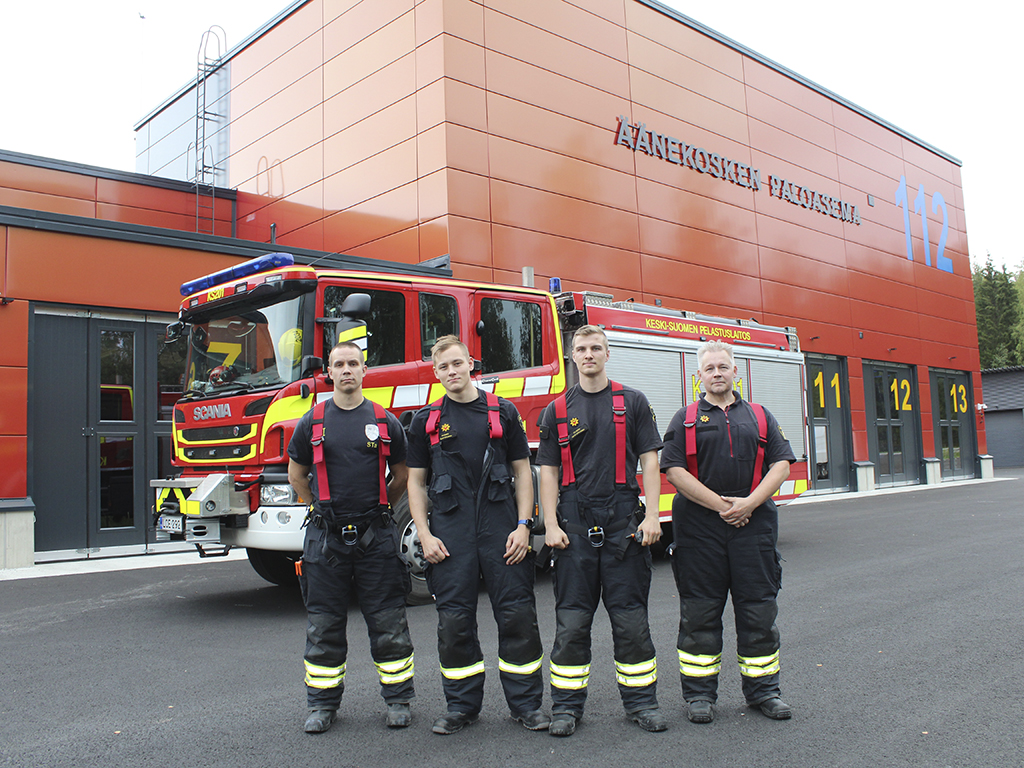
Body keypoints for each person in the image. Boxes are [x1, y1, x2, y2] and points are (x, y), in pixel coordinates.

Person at [406, 336, 548, 735]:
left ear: (471, 364)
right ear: (435, 373)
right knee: (454, 623)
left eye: (457, 364)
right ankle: (461, 707)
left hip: (503, 532)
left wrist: (524, 526)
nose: (451, 372)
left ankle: (527, 705)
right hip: (450, 537)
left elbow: (524, 471)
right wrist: (424, 534)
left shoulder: (502, 412)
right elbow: (416, 484)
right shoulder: (426, 421)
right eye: (443, 367)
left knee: (518, 616)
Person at [538, 325, 667, 737]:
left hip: (624, 526)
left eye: (596, 348)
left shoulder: (633, 402)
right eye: (581, 349)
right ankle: (566, 708)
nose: (588, 354)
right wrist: (552, 524)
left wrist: (652, 517)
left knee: (630, 622)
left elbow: (649, 462)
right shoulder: (556, 411)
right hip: (574, 529)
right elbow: (548, 474)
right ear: (572, 357)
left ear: (607, 354)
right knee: (572, 624)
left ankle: (642, 703)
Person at [661, 340, 796, 724]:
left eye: (723, 366)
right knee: (699, 615)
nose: (717, 373)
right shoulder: (684, 418)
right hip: (700, 533)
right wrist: (725, 507)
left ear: (735, 371)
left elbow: (782, 464)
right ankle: (699, 697)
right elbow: (674, 472)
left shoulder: (760, 415)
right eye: (710, 368)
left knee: (758, 611)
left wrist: (750, 503)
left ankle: (764, 693)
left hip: (753, 530)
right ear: (698, 376)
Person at [287, 341, 415, 734]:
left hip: (375, 537)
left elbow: (403, 477)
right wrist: (320, 509)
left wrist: (379, 512)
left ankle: (398, 700)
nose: (346, 370)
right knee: (324, 624)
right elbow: (296, 476)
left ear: (364, 370)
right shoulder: (312, 421)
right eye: (339, 364)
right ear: (330, 372)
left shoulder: (385, 421)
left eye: (353, 364)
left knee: (388, 620)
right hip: (326, 541)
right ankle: (322, 705)